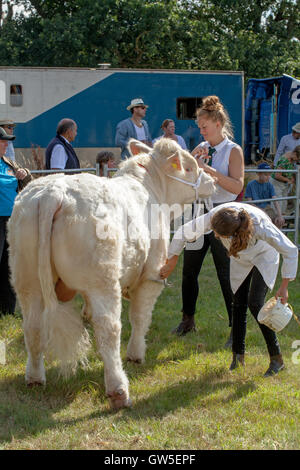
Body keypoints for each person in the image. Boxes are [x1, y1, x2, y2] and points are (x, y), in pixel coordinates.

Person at [160, 202, 298, 377]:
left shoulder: (261, 227)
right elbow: (183, 232)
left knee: (255, 304)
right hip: (240, 257)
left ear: (234, 234)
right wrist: (172, 260)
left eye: (218, 234)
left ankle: (277, 359)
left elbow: (290, 250)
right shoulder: (214, 217)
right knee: (238, 303)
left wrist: (284, 286)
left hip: (264, 255)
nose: (215, 236)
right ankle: (237, 358)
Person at [172, 96, 244, 345]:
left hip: (224, 214)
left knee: (226, 273)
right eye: (200, 127)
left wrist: (211, 171)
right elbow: (184, 177)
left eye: (204, 126)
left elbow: (237, 186)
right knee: (189, 270)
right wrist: (192, 160)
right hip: (199, 212)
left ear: (217, 123)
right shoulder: (201, 147)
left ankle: (235, 328)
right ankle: (187, 319)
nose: (200, 131)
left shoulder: (233, 150)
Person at [0, 126, 33, 315]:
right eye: (3, 141)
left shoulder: (9, 163)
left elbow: (28, 184)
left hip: (11, 221)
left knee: (8, 265)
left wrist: (24, 174)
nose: (6, 144)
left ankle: (7, 311)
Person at [244, 162, 285, 228]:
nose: (268, 177)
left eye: (269, 175)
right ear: (258, 173)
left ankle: (273, 237)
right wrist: (261, 211)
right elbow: (250, 203)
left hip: (267, 209)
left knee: (278, 221)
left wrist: (279, 215)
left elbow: (275, 201)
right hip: (254, 209)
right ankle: (261, 237)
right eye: (266, 175)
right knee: (258, 223)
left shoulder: (269, 185)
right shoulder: (250, 185)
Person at [271, 145, 300, 214]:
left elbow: (290, 168)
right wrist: (288, 180)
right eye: (298, 158)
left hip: (283, 184)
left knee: (284, 203)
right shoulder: (284, 160)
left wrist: (292, 177)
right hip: (277, 184)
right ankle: (276, 221)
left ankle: (282, 220)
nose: (297, 160)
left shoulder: (291, 156)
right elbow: (277, 175)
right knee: (278, 204)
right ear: (295, 153)